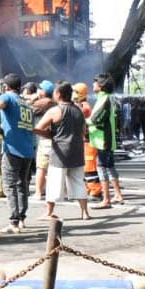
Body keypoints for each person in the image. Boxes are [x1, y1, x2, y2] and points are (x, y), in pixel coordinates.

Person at [34, 82, 89, 221]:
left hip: (60, 152)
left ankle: (49, 212)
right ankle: (85, 212)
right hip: (77, 150)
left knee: (54, 183)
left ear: (58, 94)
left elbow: (38, 128)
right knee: (78, 182)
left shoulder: (55, 111)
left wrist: (50, 135)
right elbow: (84, 131)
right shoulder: (78, 110)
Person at [0, 73, 37, 233]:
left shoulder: (7, 97)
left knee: (10, 184)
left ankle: (13, 222)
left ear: (6, 87)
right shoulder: (25, 103)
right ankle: (21, 219)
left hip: (13, 148)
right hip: (27, 149)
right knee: (22, 185)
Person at [87, 73, 124, 208]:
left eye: (95, 82)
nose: (93, 84)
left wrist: (82, 121)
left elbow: (96, 119)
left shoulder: (105, 100)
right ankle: (118, 195)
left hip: (103, 140)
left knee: (102, 168)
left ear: (101, 85)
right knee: (110, 167)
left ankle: (106, 199)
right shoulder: (105, 98)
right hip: (104, 139)